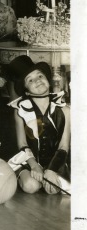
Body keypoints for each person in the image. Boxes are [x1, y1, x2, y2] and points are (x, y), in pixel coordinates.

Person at [7, 55, 70, 195]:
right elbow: (22, 144)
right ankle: (19, 176)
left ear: (47, 79)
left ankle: (49, 176)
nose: (37, 81)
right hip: (29, 161)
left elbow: (64, 146)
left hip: (54, 162)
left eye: (40, 76)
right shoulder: (20, 111)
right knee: (31, 186)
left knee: (53, 189)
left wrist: (52, 170)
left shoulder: (64, 109)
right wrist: (34, 166)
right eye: (30, 80)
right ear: (26, 90)